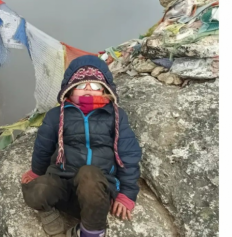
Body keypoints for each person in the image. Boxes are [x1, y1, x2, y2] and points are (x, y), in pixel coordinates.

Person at [21, 55, 142, 237]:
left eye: (94, 85)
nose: (87, 89)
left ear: (105, 90)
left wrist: (127, 193)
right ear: (69, 90)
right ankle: (49, 213)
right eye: (80, 85)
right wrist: (37, 172)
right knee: (35, 189)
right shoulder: (57, 115)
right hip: (62, 183)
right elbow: (43, 147)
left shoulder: (115, 116)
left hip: (96, 190)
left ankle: (89, 232)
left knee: (88, 173)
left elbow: (128, 154)